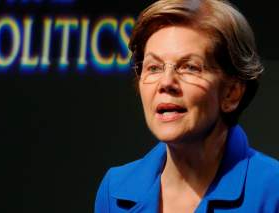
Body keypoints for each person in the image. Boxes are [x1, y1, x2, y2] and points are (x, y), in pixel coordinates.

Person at [95, 0, 279, 212]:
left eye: (190, 67)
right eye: (153, 67)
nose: (166, 83)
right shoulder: (114, 189)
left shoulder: (272, 190)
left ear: (231, 93)